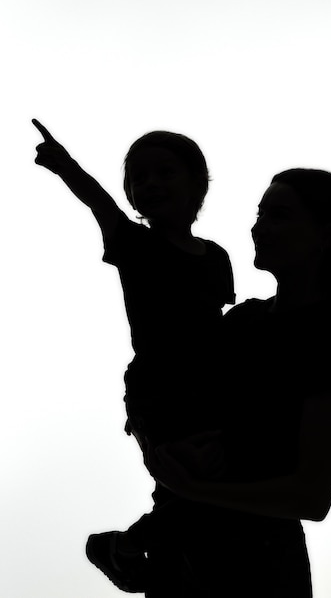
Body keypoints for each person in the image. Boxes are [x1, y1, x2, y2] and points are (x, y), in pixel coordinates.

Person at [144, 168, 331, 597]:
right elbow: (183, 405)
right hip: (187, 555)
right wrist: (164, 449)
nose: (259, 227)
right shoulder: (242, 322)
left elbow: (312, 497)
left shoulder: (330, 343)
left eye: (279, 215)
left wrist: (193, 487)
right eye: (260, 214)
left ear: (326, 235)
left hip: (259, 568)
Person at [32, 119, 235, 594]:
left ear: (197, 185)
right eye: (139, 177)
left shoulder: (216, 257)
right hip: (157, 390)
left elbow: (217, 326)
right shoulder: (132, 243)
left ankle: (129, 550)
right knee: (186, 478)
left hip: (211, 386)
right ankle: (130, 550)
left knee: (211, 481)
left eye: (165, 172)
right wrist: (65, 166)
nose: (151, 184)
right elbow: (98, 202)